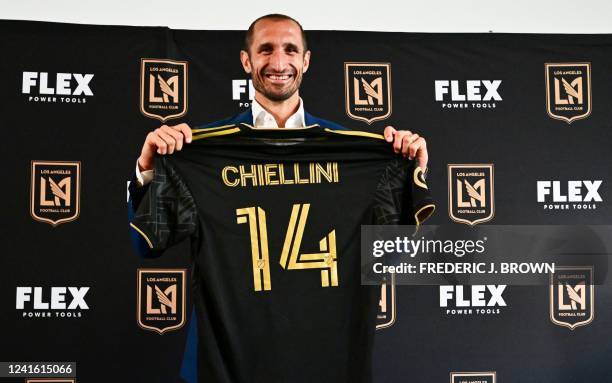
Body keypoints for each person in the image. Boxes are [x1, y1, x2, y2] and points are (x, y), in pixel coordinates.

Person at [128, 14, 431, 383]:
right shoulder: (200, 148)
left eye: (290, 49)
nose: (278, 62)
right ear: (246, 61)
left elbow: (394, 253)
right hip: (226, 365)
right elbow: (148, 244)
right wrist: (147, 167)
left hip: (324, 361)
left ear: (305, 61)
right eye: (265, 49)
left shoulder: (356, 152)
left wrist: (409, 171)